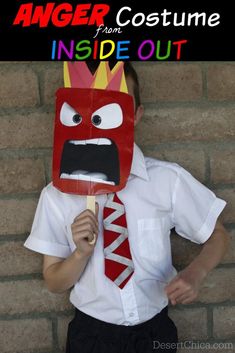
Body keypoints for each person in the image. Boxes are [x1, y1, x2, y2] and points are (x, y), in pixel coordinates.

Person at [24, 62, 230, 353]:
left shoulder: (165, 180)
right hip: (91, 335)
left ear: (135, 116)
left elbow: (217, 235)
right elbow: (55, 282)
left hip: (155, 331)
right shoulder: (57, 195)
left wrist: (196, 273)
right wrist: (81, 254)